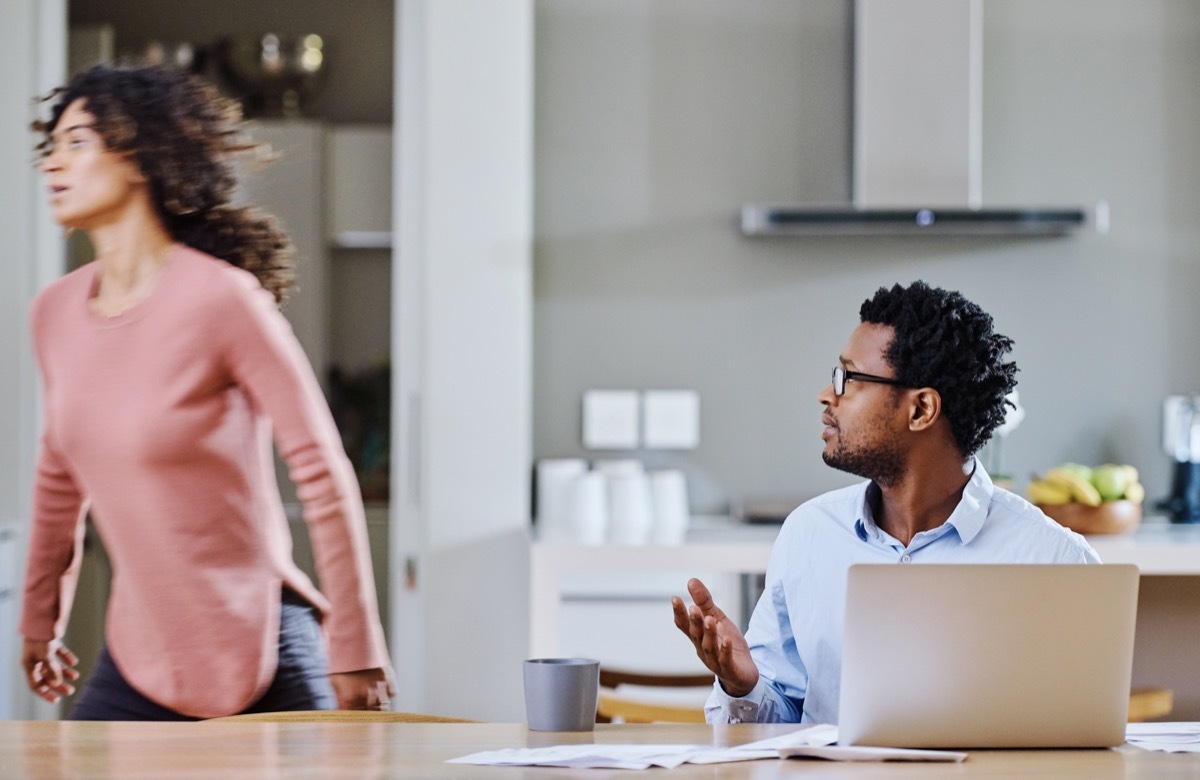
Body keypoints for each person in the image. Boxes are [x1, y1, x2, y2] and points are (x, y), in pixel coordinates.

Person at [18, 61, 393, 720]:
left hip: (263, 644)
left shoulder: (223, 300)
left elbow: (321, 469)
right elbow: (58, 477)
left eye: (77, 142)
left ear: (138, 156)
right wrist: (38, 621)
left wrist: (356, 648)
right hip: (139, 655)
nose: (53, 164)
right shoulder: (54, 312)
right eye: (52, 147)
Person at [672, 281, 1099, 725]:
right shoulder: (808, 535)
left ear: (920, 410)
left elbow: (1079, 742)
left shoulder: (1055, 560)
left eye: (847, 378)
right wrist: (744, 686)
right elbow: (777, 728)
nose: (826, 394)